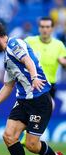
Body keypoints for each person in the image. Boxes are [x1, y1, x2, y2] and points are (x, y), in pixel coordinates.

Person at [0, 20, 65, 155]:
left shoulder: (14, 44)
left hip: (39, 100)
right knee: (9, 136)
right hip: (23, 101)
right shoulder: (6, 58)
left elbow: (28, 61)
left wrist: (33, 78)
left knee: (32, 145)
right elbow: (8, 86)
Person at [21, 17, 66, 145]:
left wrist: (63, 62)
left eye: (47, 27)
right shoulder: (29, 41)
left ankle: (29, 136)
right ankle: (27, 135)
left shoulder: (58, 45)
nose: (45, 30)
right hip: (32, 83)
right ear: (39, 28)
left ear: (52, 29)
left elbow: (62, 60)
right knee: (41, 108)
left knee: (46, 110)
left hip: (49, 85)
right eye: (42, 27)